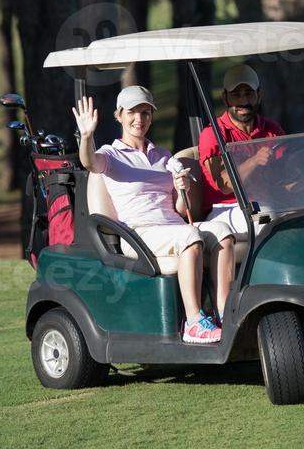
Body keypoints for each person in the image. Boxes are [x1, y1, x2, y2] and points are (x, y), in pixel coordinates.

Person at [73, 85, 221, 345]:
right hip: (138, 234)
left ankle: (222, 313)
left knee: (223, 231)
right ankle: (195, 322)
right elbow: (88, 162)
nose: (139, 119)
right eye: (132, 112)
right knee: (190, 236)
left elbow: (178, 210)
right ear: (119, 115)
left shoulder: (162, 155)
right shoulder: (110, 154)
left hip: (171, 228)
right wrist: (86, 136)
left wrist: (180, 189)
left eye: (145, 112)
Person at [197, 64, 284, 313]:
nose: (243, 101)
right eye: (236, 95)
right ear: (225, 97)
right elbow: (223, 184)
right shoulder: (213, 134)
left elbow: (285, 178)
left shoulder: (271, 130)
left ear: (259, 95)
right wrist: (255, 161)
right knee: (269, 218)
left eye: (248, 93)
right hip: (225, 209)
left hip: (263, 204)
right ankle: (252, 302)